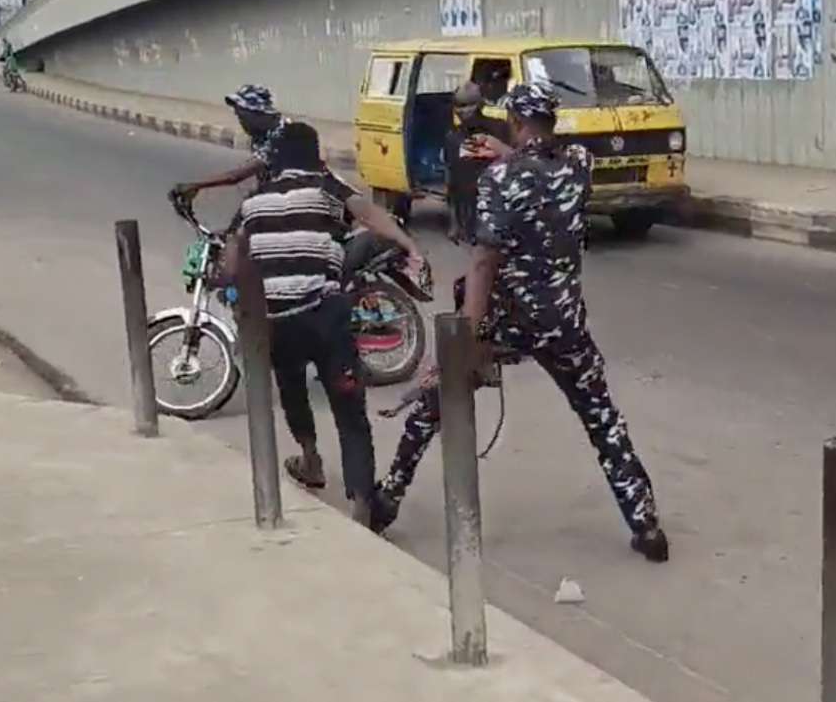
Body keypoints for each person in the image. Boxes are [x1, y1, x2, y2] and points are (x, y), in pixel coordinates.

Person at [370, 82, 669, 562]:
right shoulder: (578, 164)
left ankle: (388, 497)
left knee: (434, 403)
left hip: (508, 319)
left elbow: (485, 258)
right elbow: (546, 171)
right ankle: (646, 524)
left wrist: (466, 333)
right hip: (565, 321)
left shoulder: (500, 177)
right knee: (603, 420)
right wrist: (509, 153)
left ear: (513, 120)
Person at [226, 121, 425, 526]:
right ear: (314, 154)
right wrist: (409, 246)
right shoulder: (327, 188)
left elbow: (233, 263)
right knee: (349, 410)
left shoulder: (252, 203)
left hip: (278, 321)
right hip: (325, 316)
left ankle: (311, 460)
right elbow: (372, 217)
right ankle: (361, 507)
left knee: (292, 389)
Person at [171, 84, 291, 206]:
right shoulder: (260, 134)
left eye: (243, 117)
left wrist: (196, 186)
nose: (241, 122)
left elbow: (236, 176)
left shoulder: (282, 134)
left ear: (257, 113)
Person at [443, 82, 509, 244]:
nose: (463, 111)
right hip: (470, 213)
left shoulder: (501, 129)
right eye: (459, 106)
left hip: (499, 209)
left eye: (467, 105)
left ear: (480, 105)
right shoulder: (453, 138)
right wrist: (454, 223)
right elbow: (451, 182)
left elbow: (517, 160)